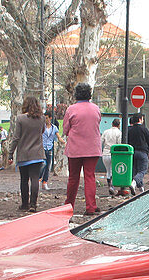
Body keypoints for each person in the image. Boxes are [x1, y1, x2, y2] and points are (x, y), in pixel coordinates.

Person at [62, 83, 103, 215]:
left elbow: (65, 130)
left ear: (76, 94)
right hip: (93, 148)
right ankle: (91, 206)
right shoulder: (96, 109)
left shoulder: (71, 109)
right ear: (89, 95)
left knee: (73, 178)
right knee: (90, 176)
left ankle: (69, 205)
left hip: (75, 148)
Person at [5, 96, 47, 212]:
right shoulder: (42, 119)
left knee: (24, 179)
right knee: (35, 179)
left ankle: (24, 204)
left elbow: (16, 137)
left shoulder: (20, 119)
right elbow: (42, 131)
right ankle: (33, 204)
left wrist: (10, 153)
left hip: (24, 154)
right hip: (38, 154)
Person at [128, 113, 149, 194]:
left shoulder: (129, 130)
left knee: (135, 171)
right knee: (142, 171)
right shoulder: (144, 129)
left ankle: (141, 189)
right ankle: (134, 183)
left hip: (132, 153)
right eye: (142, 119)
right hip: (142, 152)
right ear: (139, 119)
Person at [40, 111, 64, 190]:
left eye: (47, 118)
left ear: (50, 118)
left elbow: (58, 136)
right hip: (42, 147)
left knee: (48, 166)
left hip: (49, 148)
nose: (45, 120)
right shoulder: (41, 127)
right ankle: (39, 178)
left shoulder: (54, 128)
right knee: (42, 164)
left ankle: (45, 182)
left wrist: (63, 141)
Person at [100, 118, 122, 196]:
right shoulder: (119, 133)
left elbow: (100, 142)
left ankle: (110, 186)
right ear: (119, 125)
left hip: (105, 153)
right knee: (113, 170)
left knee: (108, 170)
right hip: (114, 154)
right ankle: (112, 186)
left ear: (112, 124)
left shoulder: (106, 132)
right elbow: (119, 143)